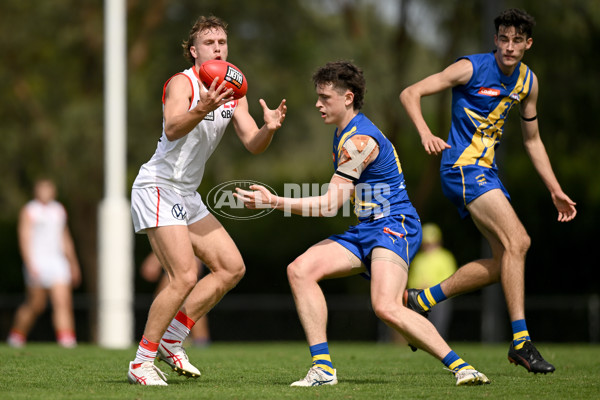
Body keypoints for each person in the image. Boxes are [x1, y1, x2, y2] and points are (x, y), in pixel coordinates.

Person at [236, 61, 489, 387]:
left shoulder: (359, 142)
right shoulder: (345, 133)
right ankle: (323, 369)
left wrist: (274, 201)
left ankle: (463, 368)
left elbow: (329, 204)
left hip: (394, 226)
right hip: (368, 228)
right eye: (318, 96)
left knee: (384, 306)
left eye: (325, 97)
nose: (318, 104)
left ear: (348, 97)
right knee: (300, 270)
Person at [399, 8, 577, 374]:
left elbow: (533, 140)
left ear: (528, 44)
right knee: (520, 242)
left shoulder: (528, 82)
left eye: (517, 41)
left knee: (504, 264)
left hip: (487, 173)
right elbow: (410, 92)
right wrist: (424, 133)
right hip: (462, 169)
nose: (509, 47)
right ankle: (522, 343)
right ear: (495, 40)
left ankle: (422, 300)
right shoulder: (470, 68)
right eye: (504, 39)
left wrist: (555, 189)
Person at [126, 15, 287, 386]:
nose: (218, 47)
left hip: (186, 192)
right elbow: (172, 126)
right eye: (210, 42)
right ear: (194, 51)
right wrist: (204, 106)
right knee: (183, 275)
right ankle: (141, 361)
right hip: (158, 185)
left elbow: (252, 143)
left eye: (222, 42)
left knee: (231, 268)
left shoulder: (235, 89)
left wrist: (269, 129)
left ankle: (171, 340)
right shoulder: (183, 83)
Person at [7, 178, 81, 348]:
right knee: (36, 305)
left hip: (57, 262)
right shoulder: (30, 210)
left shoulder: (58, 210)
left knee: (62, 302)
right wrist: (29, 263)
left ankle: (67, 340)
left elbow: (65, 238)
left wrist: (73, 263)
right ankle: (16, 336)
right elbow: (24, 238)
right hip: (38, 261)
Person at [140, 252, 211, 347]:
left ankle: (197, 341)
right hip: (182, 257)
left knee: (170, 298)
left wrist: (154, 260)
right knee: (184, 300)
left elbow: (174, 238)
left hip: (184, 257)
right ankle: (199, 341)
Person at [406, 223, 457, 339]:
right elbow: (412, 278)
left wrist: (432, 287)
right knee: (419, 330)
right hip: (419, 299)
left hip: (439, 299)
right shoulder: (418, 259)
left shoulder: (445, 257)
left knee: (439, 328)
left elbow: (451, 278)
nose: (429, 246)